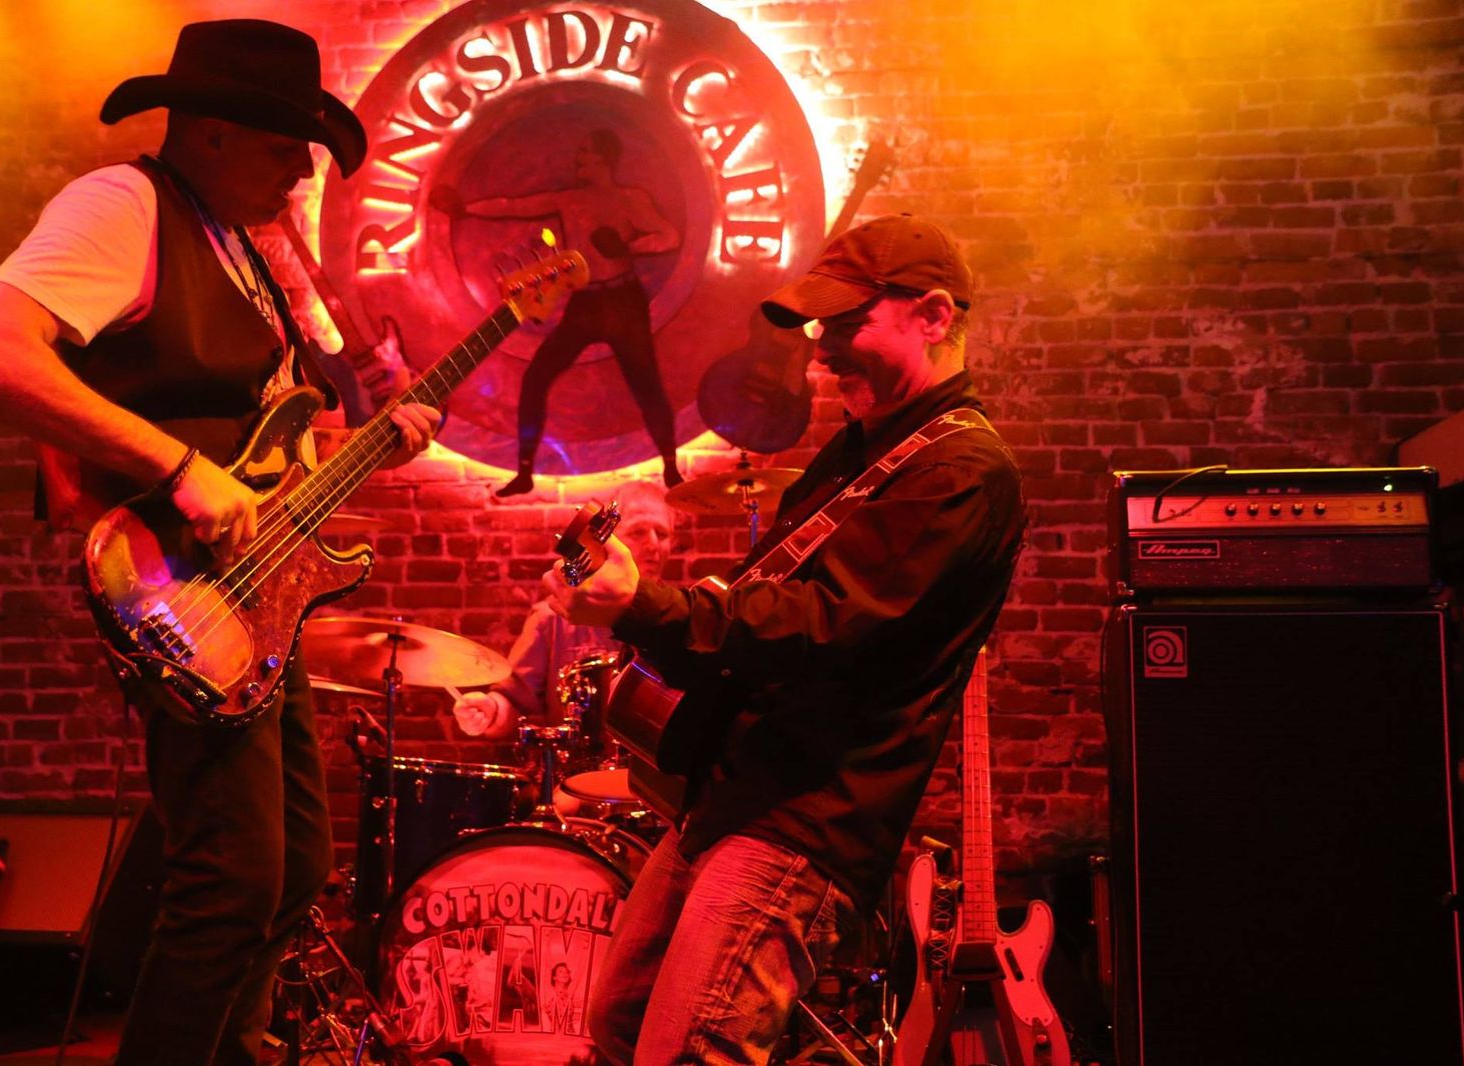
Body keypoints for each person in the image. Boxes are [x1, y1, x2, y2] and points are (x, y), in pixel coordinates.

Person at [0, 20, 440, 1066]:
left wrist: (365, 446)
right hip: (179, 585)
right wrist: (175, 469)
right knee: (231, 878)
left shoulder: (237, 248)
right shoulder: (122, 206)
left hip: (257, 588)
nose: (303, 173)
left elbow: (255, 451)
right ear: (211, 132)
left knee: (293, 870)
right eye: (283, 147)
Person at [542, 214, 1027, 1064]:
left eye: (847, 324)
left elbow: (819, 626)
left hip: (805, 816)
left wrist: (645, 606)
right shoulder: (864, 452)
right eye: (819, 327)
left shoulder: (961, 471)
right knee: (620, 1022)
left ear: (933, 315)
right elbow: (761, 609)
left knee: (692, 1051)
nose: (822, 350)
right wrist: (640, 605)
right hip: (732, 793)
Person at [430, 130, 683, 496]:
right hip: (586, 302)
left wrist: (629, 246)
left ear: (603, 159)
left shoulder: (631, 199)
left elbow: (669, 235)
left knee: (647, 384)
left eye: (585, 151)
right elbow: (515, 206)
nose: (578, 158)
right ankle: (524, 472)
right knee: (536, 377)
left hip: (623, 301)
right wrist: (465, 209)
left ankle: (671, 467)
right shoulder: (570, 200)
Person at [452, 479, 674, 740]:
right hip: (579, 766)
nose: (653, 545)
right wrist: (491, 710)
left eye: (662, 534)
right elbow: (513, 701)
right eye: (638, 532)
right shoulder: (552, 618)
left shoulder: (682, 618)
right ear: (606, 541)